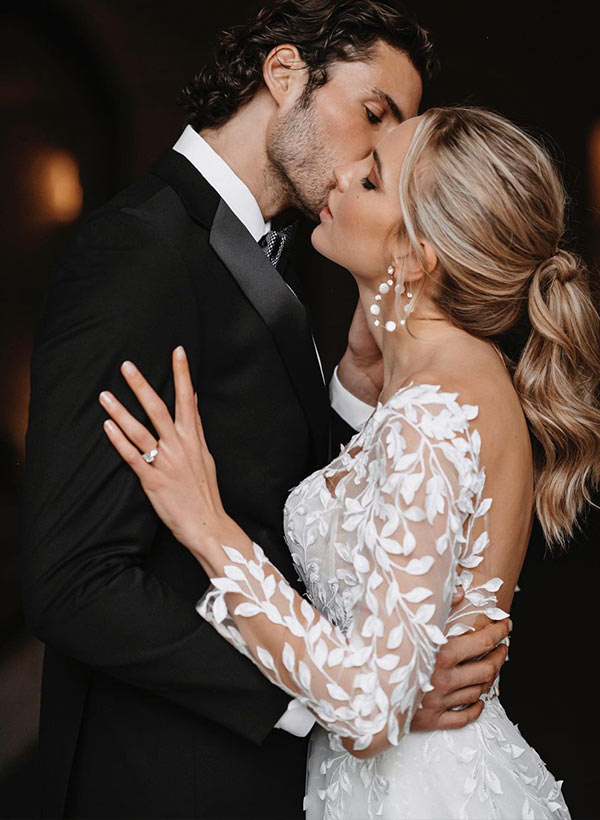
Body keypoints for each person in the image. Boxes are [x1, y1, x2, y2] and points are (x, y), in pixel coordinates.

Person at [22, 3, 510, 818]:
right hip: (162, 779)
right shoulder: (139, 251)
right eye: (374, 114)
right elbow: (73, 580)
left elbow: (279, 501)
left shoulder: (277, 252)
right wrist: (331, 701)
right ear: (284, 74)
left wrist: (350, 390)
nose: (379, 154)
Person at [100, 106, 600, 819]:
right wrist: (361, 380)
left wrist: (207, 527)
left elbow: (370, 711)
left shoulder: (429, 417)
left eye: (370, 179)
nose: (342, 174)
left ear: (417, 257)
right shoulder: (455, 377)